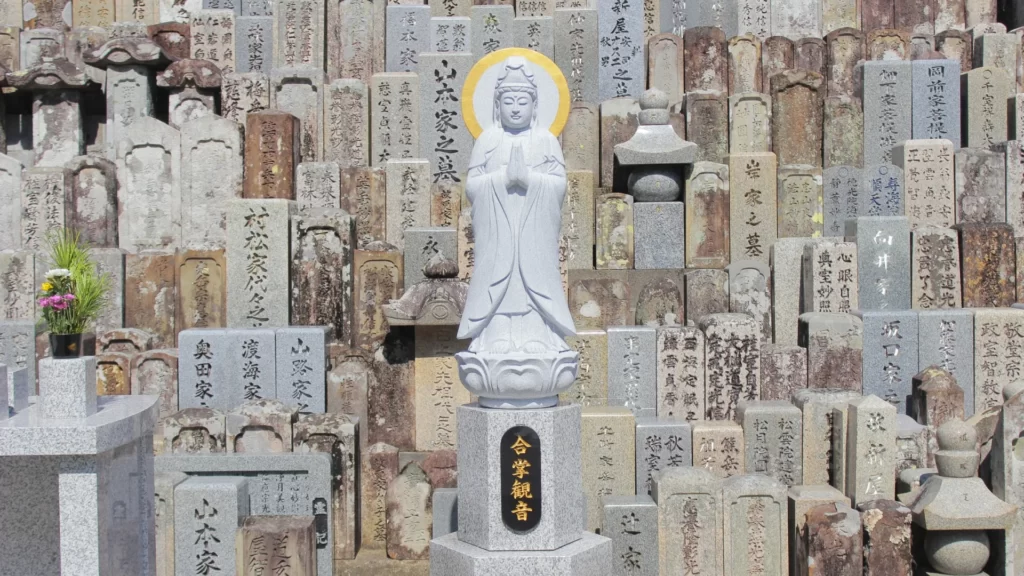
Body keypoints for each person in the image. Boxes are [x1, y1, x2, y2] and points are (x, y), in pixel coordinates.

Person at [457, 56, 575, 355]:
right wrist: (502, 180)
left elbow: (559, 185)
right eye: (508, 100)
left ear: (535, 105)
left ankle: (538, 334)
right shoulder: (487, 140)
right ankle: (496, 335)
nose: (515, 107)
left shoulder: (546, 140)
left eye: (523, 100)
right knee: (501, 283)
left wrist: (530, 180)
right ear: (497, 105)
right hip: (498, 236)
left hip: (533, 235)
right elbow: (472, 186)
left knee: (531, 283)